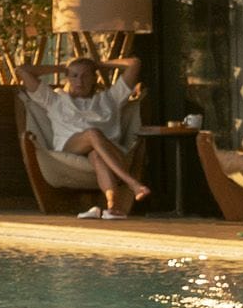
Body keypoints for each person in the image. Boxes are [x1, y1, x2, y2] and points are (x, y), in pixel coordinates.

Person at [23, 55, 149, 218]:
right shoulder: (55, 100)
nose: (79, 81)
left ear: (94, 78)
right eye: (74, 76)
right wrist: (62, 68)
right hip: (70, 149)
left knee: (97, 156)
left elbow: (135, 63)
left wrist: (100, 64)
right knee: (92, 133)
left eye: (85, 76)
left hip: (110, 152)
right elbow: (23, 71)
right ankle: (132, 183)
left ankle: (112, 206)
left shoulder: (110, 99)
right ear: (67, 78)